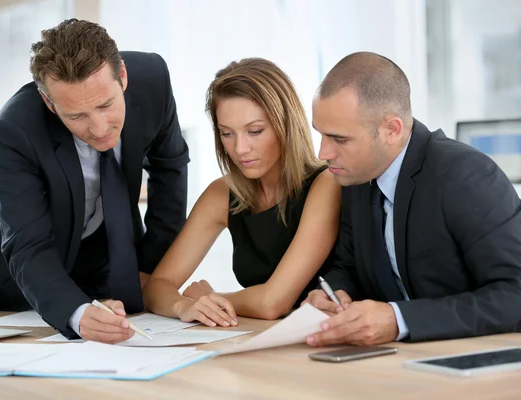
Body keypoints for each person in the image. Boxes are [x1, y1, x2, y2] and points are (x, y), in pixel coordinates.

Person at [0, 19, 189, 343]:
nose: (99, 129)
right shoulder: (15, 129)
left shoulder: (154, 80)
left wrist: (152, 274)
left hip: (98, 242)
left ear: (123, 76)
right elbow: (28, 245)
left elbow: (169, 174)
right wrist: (76, 313)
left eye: (106, 105)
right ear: (49, 103)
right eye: (77, 116)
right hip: (9, 258)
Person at [303, 51, 521, 346]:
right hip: (401, 366)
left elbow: (515, 295)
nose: (323, 153)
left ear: (391, 129)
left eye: (339, 139)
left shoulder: (464, 174)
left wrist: (398, 320)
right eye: (322, 135)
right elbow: (347, 266)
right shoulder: (356, 175)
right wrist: (332, 293)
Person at [143, 58, 340, 327]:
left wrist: (212, 298)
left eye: (255, 131)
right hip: (261, 341)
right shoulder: (221, 194)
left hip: (328, 340)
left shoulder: (326, 184)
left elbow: (273, 303)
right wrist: (183, 305)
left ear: (286, 125)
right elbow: (157, 286)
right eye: (227, 133)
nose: (240, 149)